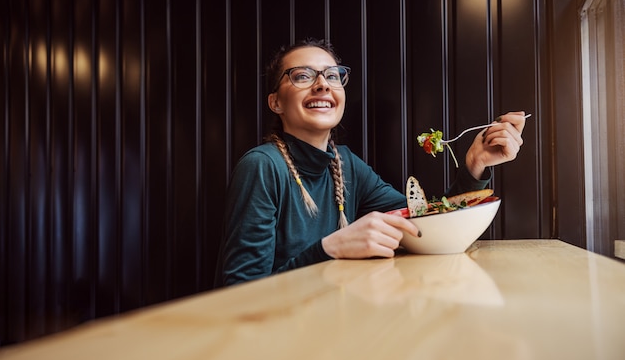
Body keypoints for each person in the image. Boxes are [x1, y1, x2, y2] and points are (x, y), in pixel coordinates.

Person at [214, 38, 527, 287]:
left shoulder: (345, 164)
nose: (322, 84)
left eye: (332, 75)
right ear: (276, 102)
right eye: (302, 75)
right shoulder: (261, 166)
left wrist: (474, 166)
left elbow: (420, 223)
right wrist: (330, 249)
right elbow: (242, 291)